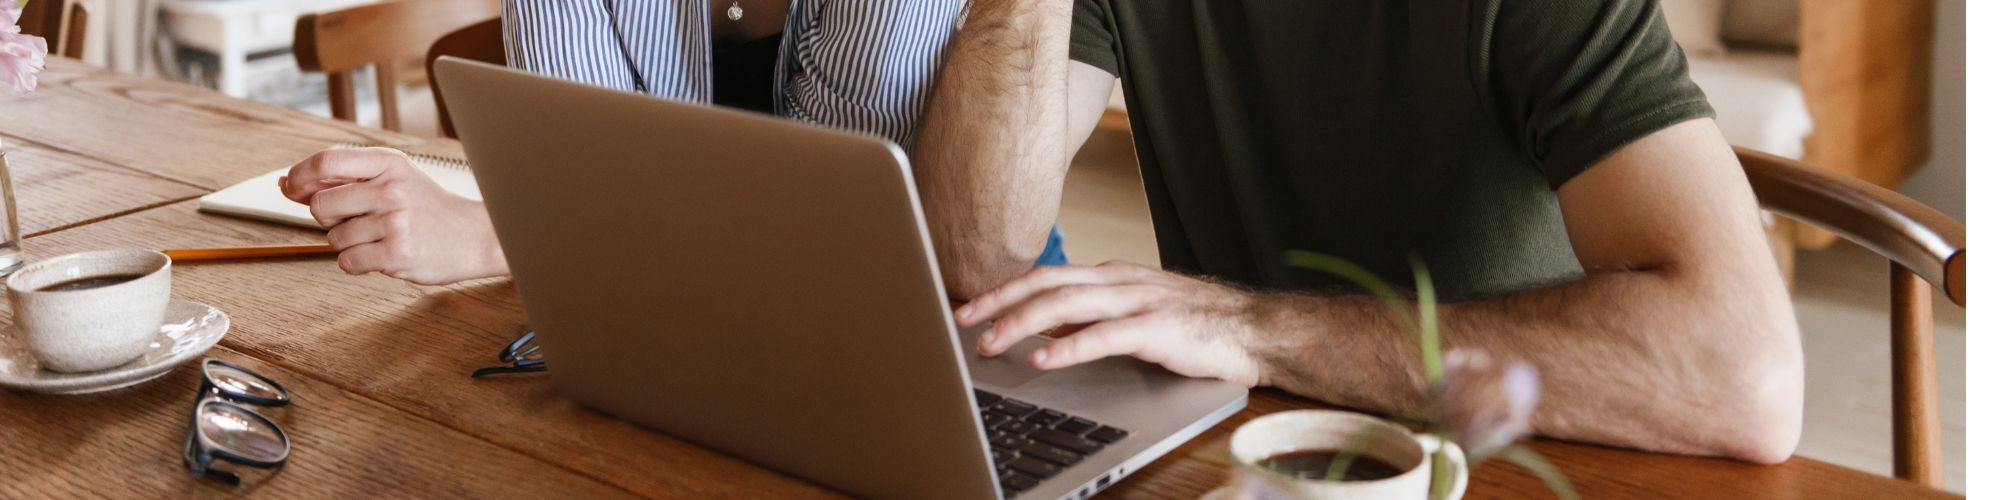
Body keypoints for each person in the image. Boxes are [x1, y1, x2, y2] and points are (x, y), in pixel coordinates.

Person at [922, 0, 1803, 463]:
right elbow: (976, 247)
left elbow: (1744, 372)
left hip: (1508, 462)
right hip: (1267, 461)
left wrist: (1255, 330)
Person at [278, 1, 1069, 286]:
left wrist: (506, 236)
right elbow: (582, 166)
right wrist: (553, 219)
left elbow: (844, 238)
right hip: (685, 306)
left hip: (957, 298)